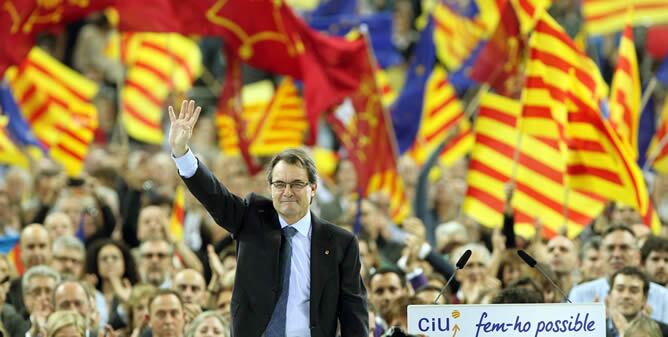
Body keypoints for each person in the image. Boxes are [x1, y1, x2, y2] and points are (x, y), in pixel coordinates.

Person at [169, 100, 368, 337]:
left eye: (297, 184)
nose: (287, 192)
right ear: (271, 187)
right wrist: (182, 153)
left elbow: (353, 313)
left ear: (313, 188)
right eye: (280, 184)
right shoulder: (252, 218)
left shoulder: (340, 243)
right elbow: (214, 195)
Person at [605, 267, 668, 337]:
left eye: (633, 291)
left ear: (644, 298)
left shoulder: (664, 332)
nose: (626, 296)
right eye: (620, 289)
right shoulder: (595, 330)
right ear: (609, 295)